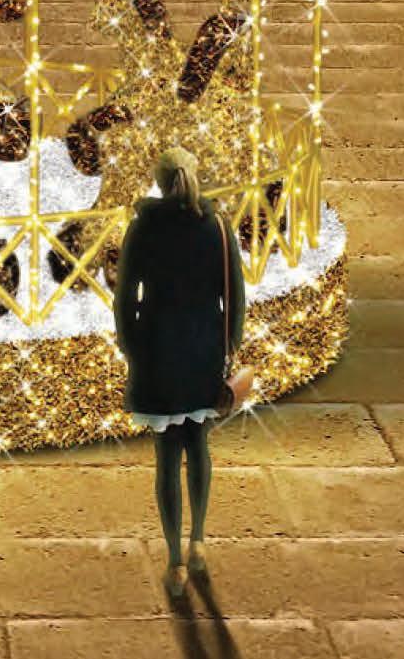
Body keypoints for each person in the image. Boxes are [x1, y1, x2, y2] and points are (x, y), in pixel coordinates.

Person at [114, 144, 245, 598]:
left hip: (157, 351)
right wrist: (228, 348)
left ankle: (174, 562)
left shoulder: (143, 228)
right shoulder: (217, 227)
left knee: (167, 458)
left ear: (159, 181)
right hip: (203, 350)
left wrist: (132, 346)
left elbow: (125, 296)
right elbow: (236, 298)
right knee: (198, 445)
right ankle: (199, 541)